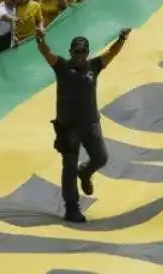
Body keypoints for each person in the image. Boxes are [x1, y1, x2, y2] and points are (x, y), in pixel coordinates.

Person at [34, 25, 131, 222]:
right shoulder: (61, 66)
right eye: (76, 52)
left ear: (87, 53)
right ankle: (72, 208)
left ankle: (85, 172)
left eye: (83, 52)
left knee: (101, 157)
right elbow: (47, 53)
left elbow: (111, 53)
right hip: (68, 126)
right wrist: (40, 41)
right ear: (70, 52)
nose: (79, 55)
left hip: (90, 124)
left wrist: (121, 38)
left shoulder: (94, 66)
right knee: (68, 167)